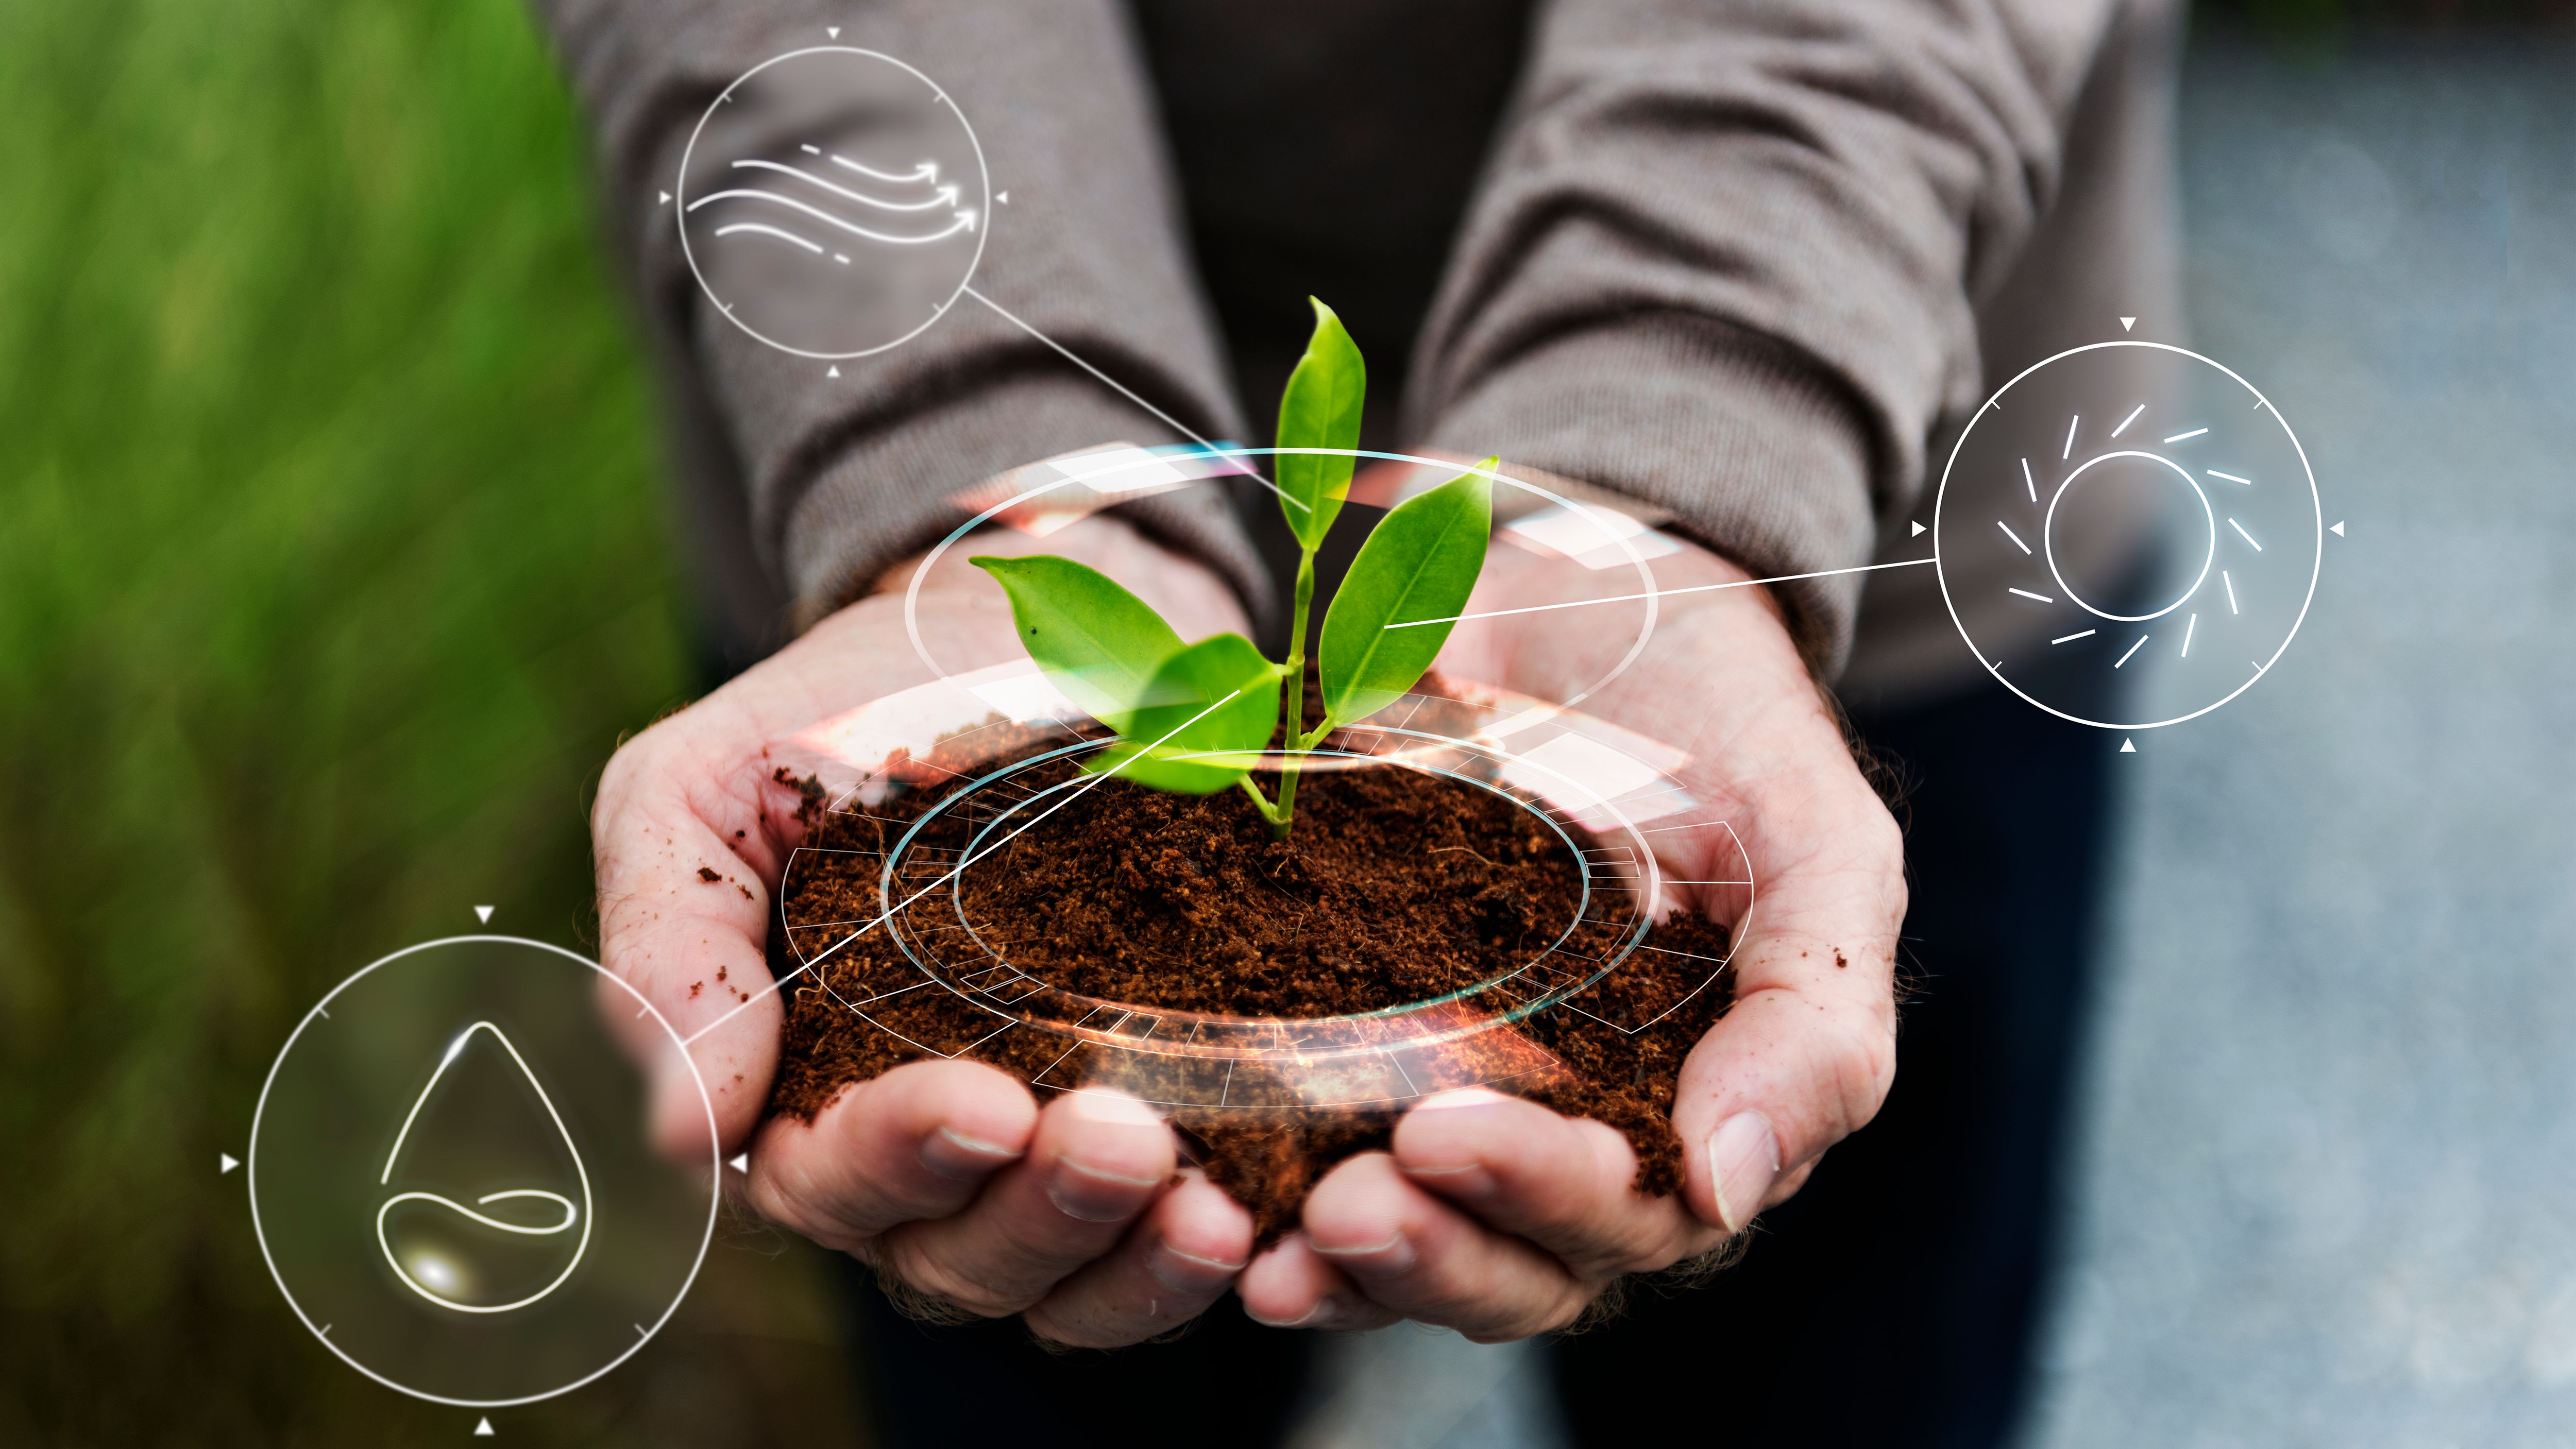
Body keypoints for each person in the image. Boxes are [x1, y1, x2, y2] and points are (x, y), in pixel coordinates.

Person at [542, 2, 2182, 1443]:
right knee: (1032, 1298)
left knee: (1831, 1351)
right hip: (906, 520)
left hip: (1849, 419)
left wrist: (1697, 407)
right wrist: (970, 427)